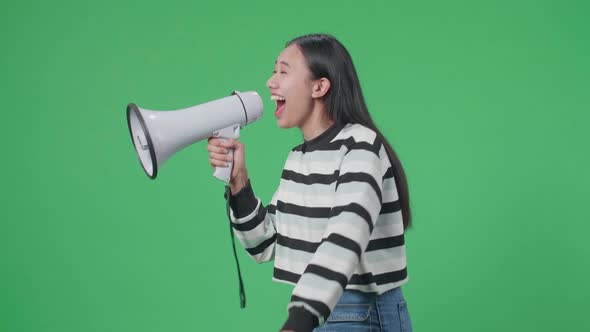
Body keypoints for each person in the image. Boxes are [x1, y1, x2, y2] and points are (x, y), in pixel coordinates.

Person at [207, 33, 413, 332]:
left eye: (283, 71)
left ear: (320, 86)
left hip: (358, 313)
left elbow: (345, 237)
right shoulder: (299, 158)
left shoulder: (360, 146)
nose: (270, 81)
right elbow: (264, 245)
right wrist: (239, 183)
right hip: (316, 310)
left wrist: (299, 319)